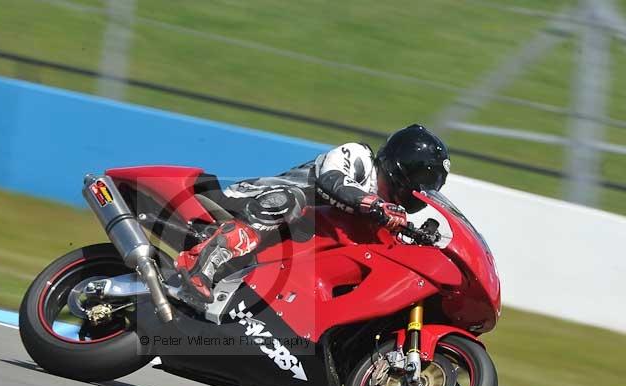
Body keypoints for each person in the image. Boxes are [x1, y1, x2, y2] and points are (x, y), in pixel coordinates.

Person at [175, 124, 451, 304]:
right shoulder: (359, 157)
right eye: (423, 178)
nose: (422, 189)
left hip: (286, 250)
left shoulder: (391, 216)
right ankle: (200, 262)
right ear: (405, 167)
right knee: (291, 199)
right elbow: (331, 180)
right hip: (250, 203)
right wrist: (375, 205)